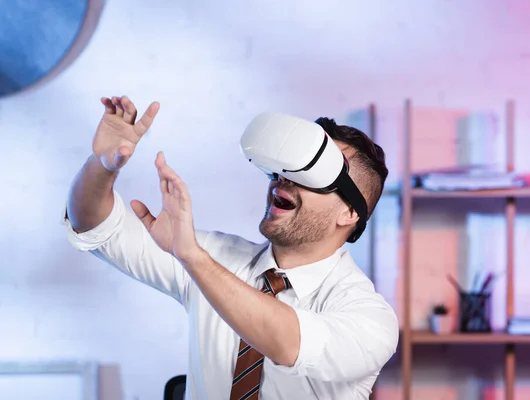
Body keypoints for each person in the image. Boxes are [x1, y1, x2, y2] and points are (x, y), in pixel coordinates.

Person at [64, 96, 399, 400]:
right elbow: (95, 227)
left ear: (350, 212)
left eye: (312, 173)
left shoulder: (369, 316)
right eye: (289, 165)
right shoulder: (214, 258)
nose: (285, 178)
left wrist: (193, 258)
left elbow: (288, 343)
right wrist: (102, 166)